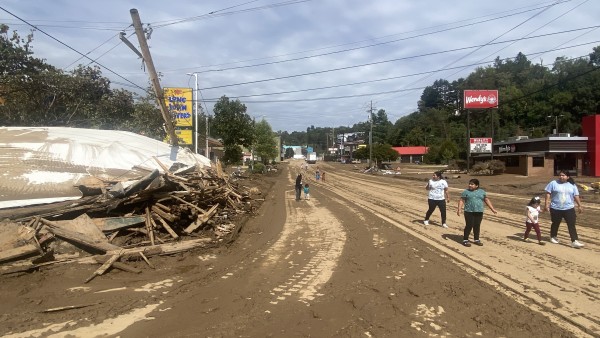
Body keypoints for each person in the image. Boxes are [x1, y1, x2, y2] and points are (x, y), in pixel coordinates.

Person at [544, 170, 584, 248]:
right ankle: (553, 236)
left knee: (571, 224)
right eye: (560, 175)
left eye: (563, 175)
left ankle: (574, 241)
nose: (561, 177)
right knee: (555, 223)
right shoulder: (553, 183)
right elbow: (548, 193)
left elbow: (576, 195)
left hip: (569, 208)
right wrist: (546, 204)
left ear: (567, 177)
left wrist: (579, 205)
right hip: (555, 208)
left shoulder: (572, 185)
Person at [457, 179, 497, 247]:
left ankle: (476, 239)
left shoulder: (482, 192)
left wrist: (492, 209)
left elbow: (486, 200)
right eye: (469, 184)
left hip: (479, 211)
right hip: (469, 211)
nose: (470, 185)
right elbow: (461, 200)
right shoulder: (466, 192)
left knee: (477, 225)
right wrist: (459, 209)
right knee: (469, 225)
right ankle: (465, 240)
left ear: (477, 185)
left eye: (472, 184)